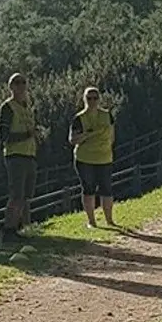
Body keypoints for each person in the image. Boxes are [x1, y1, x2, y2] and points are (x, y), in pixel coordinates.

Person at [0, 73, 43, 240]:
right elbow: (3, 136)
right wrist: (27, 134)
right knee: (16, 195)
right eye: (16, 83)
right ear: (11, 87)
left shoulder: (27, 108)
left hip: (30, 154)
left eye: (23, 82)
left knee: (26, 197)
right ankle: (8, 230)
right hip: (15, 155)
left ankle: (23, 228)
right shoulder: (8, 108)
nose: (21, 86)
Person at [70, 86, 117, 228]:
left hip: (105, 158)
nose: (92, 101)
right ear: (84, 99)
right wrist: (87, 135)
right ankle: (91, 221)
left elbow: (113, 135)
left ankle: (109, 220)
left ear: (99, 99)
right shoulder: (79, 118)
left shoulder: (107, 115)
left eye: (95, 98)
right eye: (89, 98)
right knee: (88, 189)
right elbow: (72, 140)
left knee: (107, 189)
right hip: (85, 159)